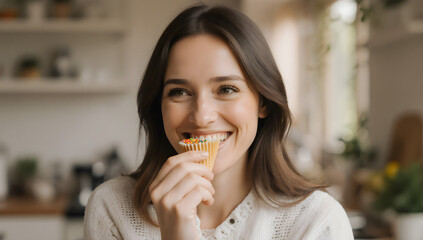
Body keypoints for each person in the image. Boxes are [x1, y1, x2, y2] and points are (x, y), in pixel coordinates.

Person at [84, 4, 354, 240]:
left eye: (226, 89)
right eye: (179, 92)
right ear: (159, 106)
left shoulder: (316, 220)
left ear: (263, 102)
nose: (201, 116)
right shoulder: (111, 207)